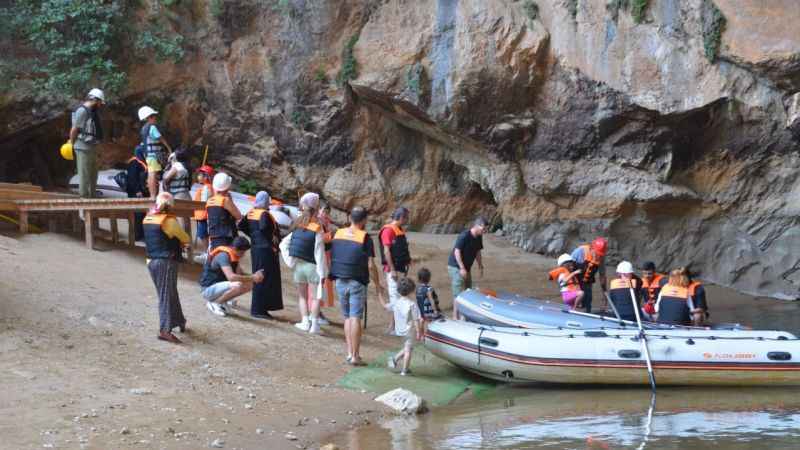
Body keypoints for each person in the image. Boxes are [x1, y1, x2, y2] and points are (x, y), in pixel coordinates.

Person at [330, 206, 386, 365]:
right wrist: (377, 284)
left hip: (339, 279)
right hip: (357, 281)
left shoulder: (338, 233)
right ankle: (355, 356)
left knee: (347, 317)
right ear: (364, 220)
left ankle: (350, 353)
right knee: (355, 317)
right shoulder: (365, 238)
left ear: (350, 218)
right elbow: (370, 265)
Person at [143, 192, 190, 344]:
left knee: (169, 292)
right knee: (166, 294)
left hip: (151, 260)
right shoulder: (169, 221)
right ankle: (165, 330)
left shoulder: (148, 218)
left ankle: (179, 320)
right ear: (171, 206)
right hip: (166, 262)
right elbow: (186, 238)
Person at [279, 192, 328, 334]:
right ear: (316, 208)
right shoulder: (317, 228)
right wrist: (322, 272)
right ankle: (314, 325)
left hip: (299, 266)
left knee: (302, 296)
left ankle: (304, 322)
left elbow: (283, 244)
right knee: (315, 297)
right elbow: (319, 252)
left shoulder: (297, 224)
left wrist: (290, 261)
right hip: (313, 266)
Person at [239, 191, 283, 319]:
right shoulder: (264, 214)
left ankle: (260, 308)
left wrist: (253, 236)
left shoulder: (251, 212)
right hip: (265, 250)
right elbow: (264, 228)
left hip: (256, 248)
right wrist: (272, 238)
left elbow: (241, 226)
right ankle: (258, 310)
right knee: (264, 278)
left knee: (259, 276)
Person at [199, 236, 264, 317]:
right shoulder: (223, 256)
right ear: (234, 248)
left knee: (249, 284)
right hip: (208, 289)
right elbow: (231, 277)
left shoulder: (234, 256)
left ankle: (222, 302)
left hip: (218, 287)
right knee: (238, 284)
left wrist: (255, 276)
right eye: (242, 252)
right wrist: (253, 277)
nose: (243, 255)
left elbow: (239, 275)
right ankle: (215, 303)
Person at [380, 207, 412, 334]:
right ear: (401, 217)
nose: (407, 220)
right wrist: (392, 269)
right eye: (406, 218)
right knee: (395, 298)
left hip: (400, 268)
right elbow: (386, 250)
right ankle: (395, 328)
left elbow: (401, 248)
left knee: (399, 297)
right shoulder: (388, 231)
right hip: (393, 270)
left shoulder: (398, 230)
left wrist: (408, 260)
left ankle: (393, 326)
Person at [447, 217, 488, 318]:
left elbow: (478, 251)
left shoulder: (478, 236)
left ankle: (464, 316)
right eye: (484, 229)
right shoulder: (464, 236)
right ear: (478, 226)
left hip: (466, 268)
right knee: (458, 294)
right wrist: (461, 268)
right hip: (456, 267)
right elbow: (457, 252)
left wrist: (480, 265)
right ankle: (455, 318)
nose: (485, 231)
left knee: (468, 292)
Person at [383, 278, 424, 376]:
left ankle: (394, 360)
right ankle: (404, 370)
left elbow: (386, 307)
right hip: (409, 331)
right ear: (411, 291)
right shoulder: (412, 304)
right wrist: (419, 332)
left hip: (399, 330)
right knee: (408, 350)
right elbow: (416, 319)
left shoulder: (397, 302)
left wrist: (380, 294)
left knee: (408, 348)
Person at [69, 88, 105, 198]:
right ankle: (84, 199)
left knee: (93, 175)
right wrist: (71, 143)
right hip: (82, 147)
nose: (100, 105)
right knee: (84, 176)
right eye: (99, 102)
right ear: (94, 99)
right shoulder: (82, 111)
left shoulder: (92, 112)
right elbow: (74, 129)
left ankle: (92, 197)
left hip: (92, 147)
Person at [137, 106, 173, 198]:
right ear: (149, 117)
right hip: (153, 155)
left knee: (151, 173)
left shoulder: (144, 128)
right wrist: (169, 148)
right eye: (153, 116)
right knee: (152, 173)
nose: (155, 118)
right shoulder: (152, 127)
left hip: (148, 155)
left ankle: (153, 194)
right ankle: (153, 195)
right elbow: (161, 138)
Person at [569, 237, 608, 314]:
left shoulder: (601, 258)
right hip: (574, 281)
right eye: (596, 253)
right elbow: (567, 268)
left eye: (600, 255)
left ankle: (586, 313)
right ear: (591, 248)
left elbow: (602, 276)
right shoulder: (579, 252)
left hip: (587, 282)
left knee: (587, 302)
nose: (598, 257)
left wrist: (604, 293)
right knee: (574, 301)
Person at [206, 172, 242, 249]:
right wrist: (230, 200)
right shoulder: (225, 201)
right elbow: (238, 216)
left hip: (213, 236)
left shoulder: (209, 201)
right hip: (226, 237)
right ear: (227, 188)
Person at [125, 146, 149, 241]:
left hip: (143, 192)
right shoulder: (134, 162)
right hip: (136, 193)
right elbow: (132, 178)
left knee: (142, 214)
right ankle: (137, 235)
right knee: (137, 214)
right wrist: (137, 190)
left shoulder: (143, 162)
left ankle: (141, 234)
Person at [192, 165, 215, 258]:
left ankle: (207, 253)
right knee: (204, 234)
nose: (198, 177)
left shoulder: (206, 188)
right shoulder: (208, 187)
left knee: (203, 235)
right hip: (202, 215)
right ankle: (208, 252)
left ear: (206, 177)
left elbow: (204, 202)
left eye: (200, 175)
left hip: (203, 215)